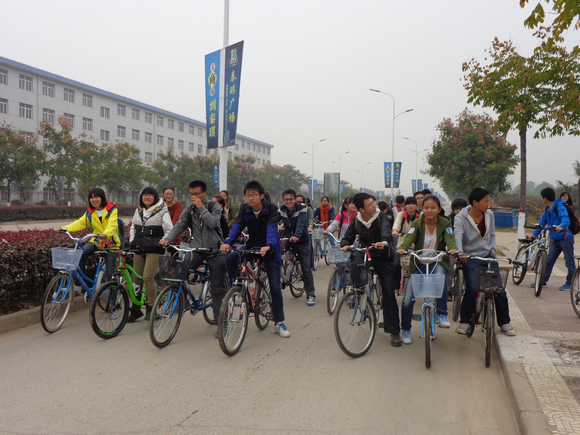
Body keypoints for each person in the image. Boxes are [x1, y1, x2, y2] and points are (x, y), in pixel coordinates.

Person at [221, 180, 290, 338]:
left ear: (261, 196)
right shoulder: (245, 208)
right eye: (247, 195)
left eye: (253, 195)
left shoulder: (271, 208)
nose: (250, 198)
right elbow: (237, 226)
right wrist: (227, 242)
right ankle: (235, 290)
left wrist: (269, 245)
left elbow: (272, 228)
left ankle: (279, 322)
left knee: (275, 287)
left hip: (270, 250)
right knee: (231, 258)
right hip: (252, 247)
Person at [160, 180, 227, 333]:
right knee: (180, 271)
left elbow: (213, 223)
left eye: (196, 193)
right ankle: (183, 301)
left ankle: (221, 324)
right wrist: (167, 239)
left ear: (204, 193)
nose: (193, 197)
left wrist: (201, 207)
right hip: (197, 249)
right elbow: (179, 225)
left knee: (217, 288)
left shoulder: (214, 206)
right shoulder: (189, 209)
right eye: (191, 194)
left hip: (215, 251)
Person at [340, 192, 401, 347]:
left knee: (388, 293)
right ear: (361, 209)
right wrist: (345, 245)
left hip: (382, 255)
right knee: (355, 268)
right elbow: (348, 236)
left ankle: (394, 330)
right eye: (370, 204)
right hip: (365, 253)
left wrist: (384, 242)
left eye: (374, 202)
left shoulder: (381, 216)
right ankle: (358, 295)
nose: (374, 206)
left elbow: (386, 230)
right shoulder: (357, 219)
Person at [454, 188, 516, 336]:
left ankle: (505, 322)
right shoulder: (461, 217)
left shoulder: (489, 215)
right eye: (486, 201)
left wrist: (493, 250)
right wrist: (460, 252)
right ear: (475, 203)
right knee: (472, 288)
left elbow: (492, 234)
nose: (488, 204)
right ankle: (465, 321)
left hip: (488, 256)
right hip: (470, 258)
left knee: (498, 290)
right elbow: (457, 235)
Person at [397, 195, 457, 344]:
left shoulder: (445, 222)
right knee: (407, 299)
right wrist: (403, 248)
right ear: (422, 209)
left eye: (433, 208)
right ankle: (405, 330)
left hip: (437, 262)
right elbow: (409, 238)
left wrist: (452, 248)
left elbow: (450, 238)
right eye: (426, 207)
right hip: (418, 263)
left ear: (439, 209)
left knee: (440, 279)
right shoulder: (417, 223)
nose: (429, 210)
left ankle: (442, 314)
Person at [57, 188, 120, 289]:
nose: (94, 200)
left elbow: (112, 225)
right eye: (91, 198)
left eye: (97, 197)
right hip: (96, 241)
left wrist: (106, 234)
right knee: (77, 255)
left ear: (102, 197)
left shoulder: (111, 209)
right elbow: (80, 223)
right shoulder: (90, 212)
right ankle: (77, 285)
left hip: (110, 243)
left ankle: (114, 298)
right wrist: (65, 228)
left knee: (110, 275)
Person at [128, 187, 173, 322]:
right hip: (138, 249)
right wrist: (132, 241)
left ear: (155, 197)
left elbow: (169, 230)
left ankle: (151, 309)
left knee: (148, 277)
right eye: (144, 195)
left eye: (150, 195)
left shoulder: (162, 211)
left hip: (155, 250)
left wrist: (162, 242)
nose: (147, 197)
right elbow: (132, 228)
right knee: (136, 279)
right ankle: (135, 309)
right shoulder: (138, 210)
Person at [530, 187, 576, 291]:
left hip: (566, 238)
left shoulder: (559, 206)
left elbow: (565, 219)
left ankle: (570, 283)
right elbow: (542, 223)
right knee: (549, 260)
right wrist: (534, 235)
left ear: (545, 198)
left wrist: (561, 226)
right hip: (555, 240)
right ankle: (543, 281)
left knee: (569, 262)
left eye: (542, 197)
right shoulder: (548, 209)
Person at [278, 189, 316, 306]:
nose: (288, 201)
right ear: (283, 200)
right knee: (274, 255)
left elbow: (301, 223)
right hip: (288, 239)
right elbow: (272, 221)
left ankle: (311, 294)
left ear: (295, 199)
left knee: (306, 268)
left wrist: (297, 236)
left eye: (291, 199)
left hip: (302, 241)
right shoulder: (282, 209)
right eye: (286, 199)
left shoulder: (302, 208)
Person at [391, 197, 421, 293]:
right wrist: (395, 230)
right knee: (396, 265)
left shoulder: (420, 216)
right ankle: (396, 286)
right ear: (405, 205)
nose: (410, 206)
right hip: (402, 243)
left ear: (416, 205)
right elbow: (396, 224)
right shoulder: (401, 215)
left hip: (416, 244)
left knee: (420, 264)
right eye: (408, 204)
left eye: (413, 204)